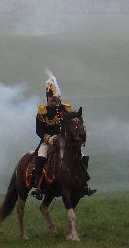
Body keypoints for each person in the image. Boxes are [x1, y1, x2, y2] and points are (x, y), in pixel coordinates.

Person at [31, 70, 95, 199]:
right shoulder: (42, 112)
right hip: (48, 141)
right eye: (51, 97)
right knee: (40, 158)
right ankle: (38, 187)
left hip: (65, 140)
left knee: (83, 157)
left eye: (55, 97)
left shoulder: (66, 109)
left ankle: (84, 184)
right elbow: (39, 130)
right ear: (47, 97)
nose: (53, 99)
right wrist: (49, 139)